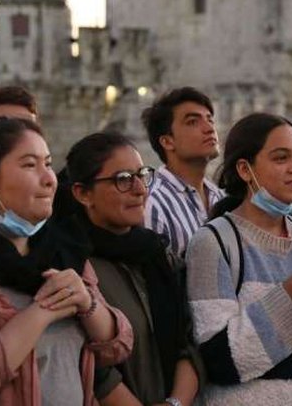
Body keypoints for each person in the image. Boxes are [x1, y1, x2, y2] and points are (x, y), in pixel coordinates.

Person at [186, 112, 292, 405]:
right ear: (244, 169)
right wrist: (289, 294)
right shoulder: (213, 243)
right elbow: (218, 359)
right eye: (281, 158)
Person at [0, 118, 132, 404]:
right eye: (28, 165)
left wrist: (88, 304)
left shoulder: (62, 252)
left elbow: (119, 346)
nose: (49, 179)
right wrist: (41, 313)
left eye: (48, 163)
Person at [60, 132, 200, 406]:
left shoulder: (157, 255)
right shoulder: (71, 266)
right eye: (122, 179)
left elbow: (191, 339)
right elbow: (90, 364)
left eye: (142, 175)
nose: (140, 189)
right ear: (83, 193)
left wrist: (175, 403)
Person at [142, 87, 224, 258]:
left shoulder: (220, 198)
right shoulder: (154, 203)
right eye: (193, 122)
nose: (209, 128)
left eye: (210, 120)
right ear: (167, 141)